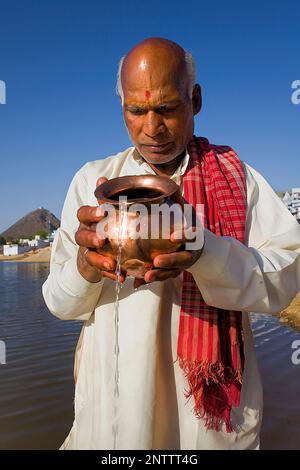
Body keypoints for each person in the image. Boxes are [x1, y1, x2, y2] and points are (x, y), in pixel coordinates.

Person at [42, 37, 300, 450]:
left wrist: (205, 253)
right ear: (122, 107)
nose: (152, 127)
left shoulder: (237, 179)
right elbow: (59, 303)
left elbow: (283, 280)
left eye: (166, 108)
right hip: (110, 418)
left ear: (194, 100)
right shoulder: (94, 182)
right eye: (136, 110)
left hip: (207, 421)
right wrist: (86, 268)